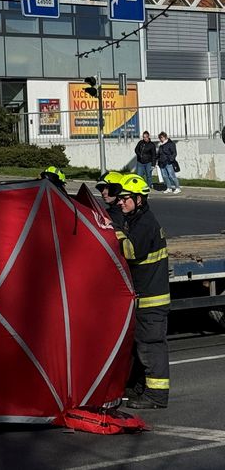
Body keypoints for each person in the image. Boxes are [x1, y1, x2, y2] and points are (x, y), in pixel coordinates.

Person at [110, 174, 170, 410]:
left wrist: (113, 231)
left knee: (151, 345)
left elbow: (130, 250)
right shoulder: (137, 220)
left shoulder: (145, 224)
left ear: (139, 200)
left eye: (125, 199)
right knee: (139, 345)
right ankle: (138, 388)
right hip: (143, 298)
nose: (120, 202)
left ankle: (156, 395)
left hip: (151, 301)